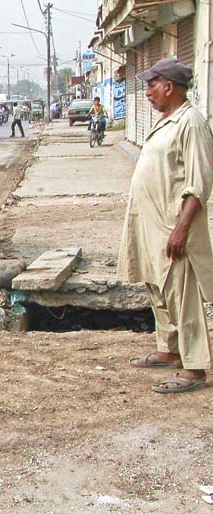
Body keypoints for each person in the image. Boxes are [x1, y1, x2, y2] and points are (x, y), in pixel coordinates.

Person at [121, 57, 213, 394]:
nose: (147, 92)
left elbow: (199, 183)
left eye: (151, 84)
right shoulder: (166, 121)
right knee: (158, 290)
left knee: (182, 295)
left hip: (172, 226)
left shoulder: (192, 123)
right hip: (150, 224)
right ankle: (168, 350)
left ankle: (194, 367)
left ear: (169, 86)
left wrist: (181, 228)